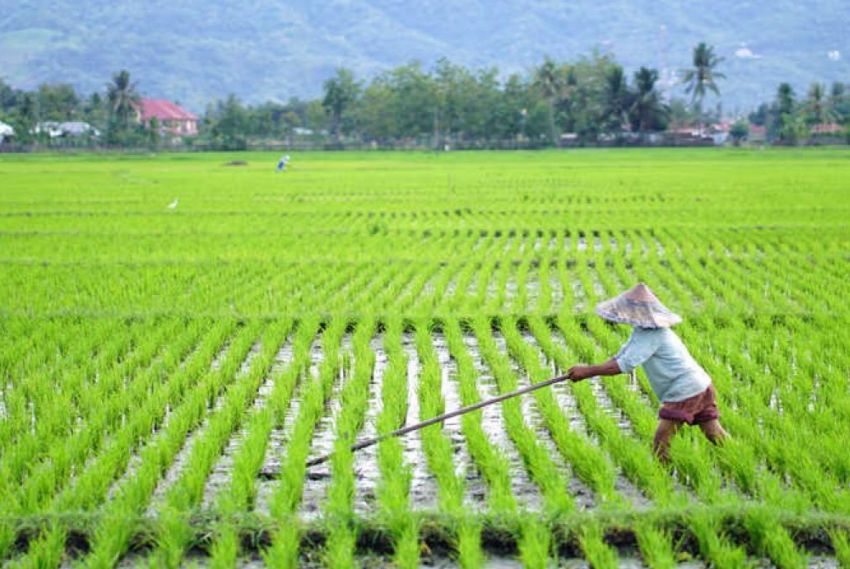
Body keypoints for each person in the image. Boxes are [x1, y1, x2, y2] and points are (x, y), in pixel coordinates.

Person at [567, 283, 728, 462]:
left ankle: (661, 477)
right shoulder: (642, 331)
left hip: (686, 389)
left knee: (662, 438)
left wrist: (587, 371)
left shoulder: (653, 334)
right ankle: (737, 458)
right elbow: (620, 356)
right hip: (700, 385)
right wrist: (586, 370)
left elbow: (623, 365)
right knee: (713, 432)